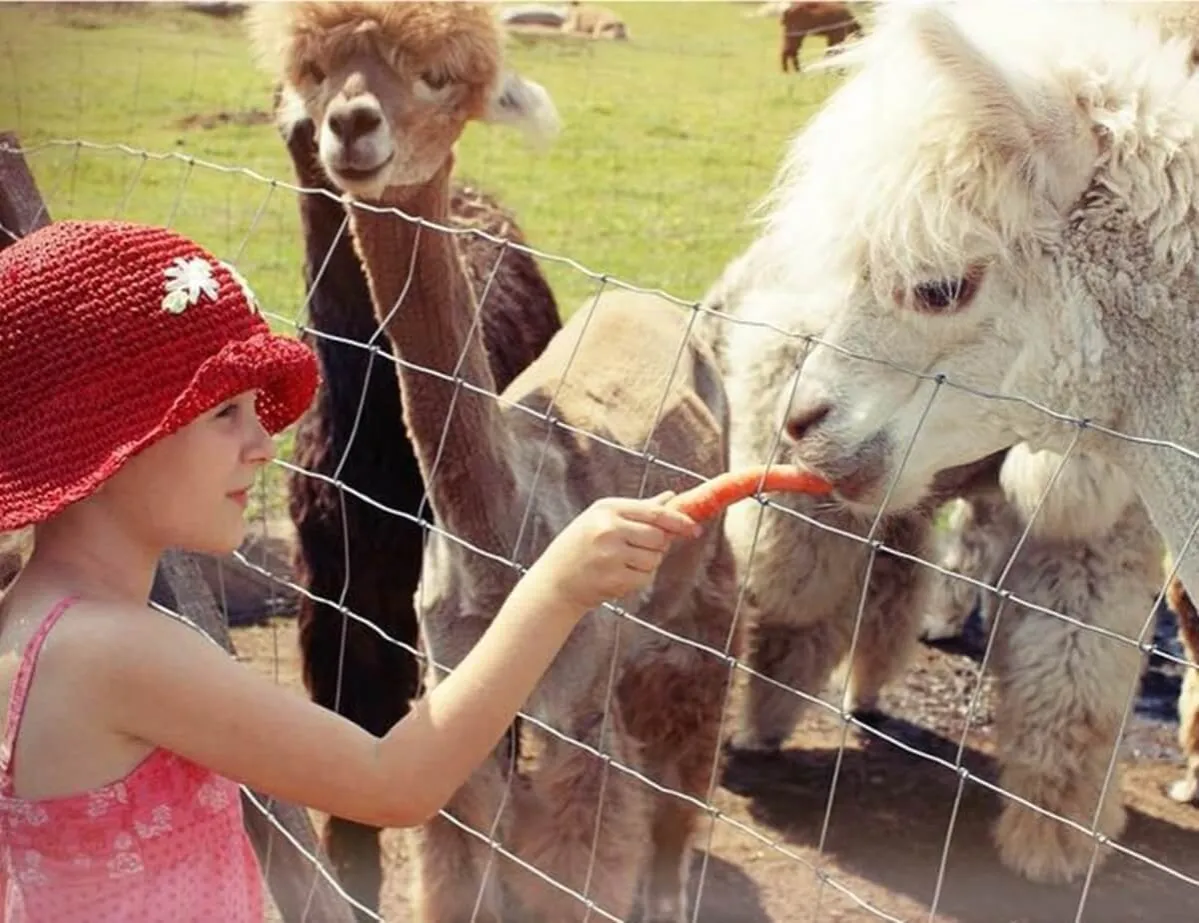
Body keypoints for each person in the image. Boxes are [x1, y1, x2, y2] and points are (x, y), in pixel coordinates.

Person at [0, 219, 703, 921]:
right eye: (224, 412)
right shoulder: (118, 652)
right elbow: (391, 781)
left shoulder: (32, 618)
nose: (262, 444)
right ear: (112, 438)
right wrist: (556, 587)